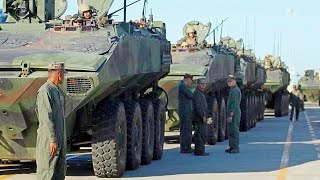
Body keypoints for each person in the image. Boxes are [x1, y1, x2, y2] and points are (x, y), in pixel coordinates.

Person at [36, 62, 67, 180]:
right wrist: (52, 139)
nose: (64, 77)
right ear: (59, 74)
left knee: (59, 173)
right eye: (63, 74)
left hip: (58, 140)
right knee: (47, 172)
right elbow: (46, 118)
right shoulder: (45, 91)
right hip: (49, 141)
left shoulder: (57, 91)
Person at [192, 78, 209, 156]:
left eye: (204, 84)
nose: (204, 85)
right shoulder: (198, 93)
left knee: (199, 134)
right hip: (199, 117)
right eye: (202, 84)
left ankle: (198, 150)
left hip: (199, 117)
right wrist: (203, 116)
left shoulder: (200, 93)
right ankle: (200, 151)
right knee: (201, 134)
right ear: (198, 84)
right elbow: (199, 106)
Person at [178, 74, 194, 153]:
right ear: (187, 79)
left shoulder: (183, 85)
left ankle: (187, 147)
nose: (191, 83)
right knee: (186, 129)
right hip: (185, 111)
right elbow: (190, 95)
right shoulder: (182, 86)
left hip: (186, 110)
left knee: (187, 129)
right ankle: (185, 148)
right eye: (191, 81)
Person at [226, 75, 241, 154]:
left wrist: (231, 115)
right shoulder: (232, 90)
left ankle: (235, 147)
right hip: (232, 113)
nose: (229, 83)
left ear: (234, 81)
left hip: (234, 114)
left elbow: (235, 104)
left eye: (230, 81)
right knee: (231, 130)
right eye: (228, 81)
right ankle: (232, 147)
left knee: (234, 130)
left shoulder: (235, 91)